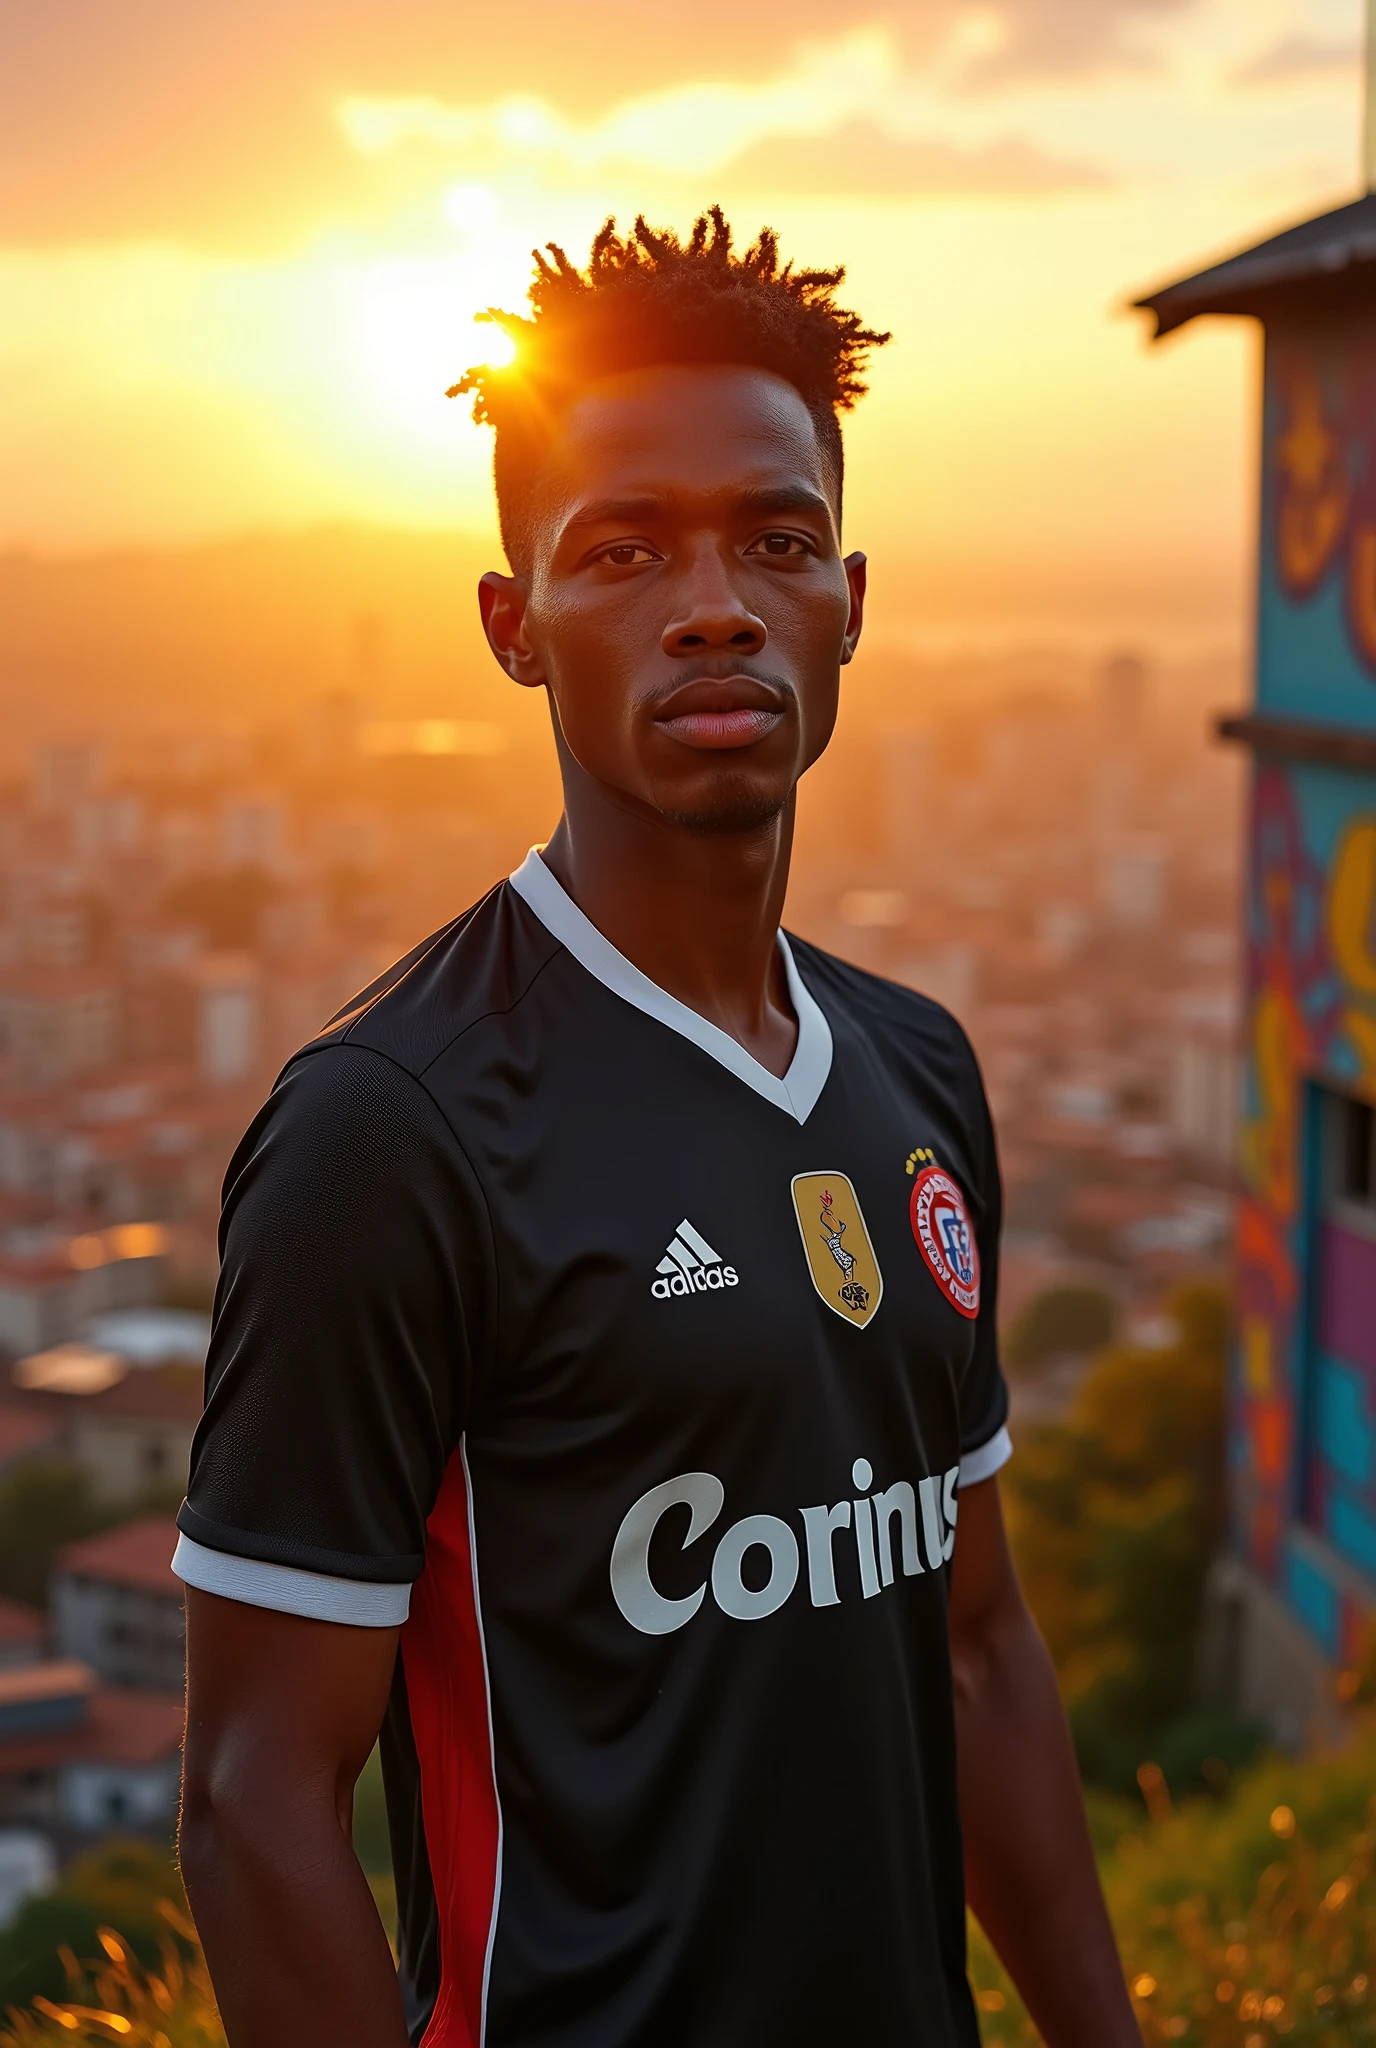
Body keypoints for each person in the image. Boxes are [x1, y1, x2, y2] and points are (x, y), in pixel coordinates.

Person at [176, 209, 1141, 2048]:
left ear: (851, 600)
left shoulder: (918, 1069)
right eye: (623, 553)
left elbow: (979, 1648)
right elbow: (249, 1804)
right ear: (513, 627)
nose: (717, 602)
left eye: (776, 541)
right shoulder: (389, 1133)